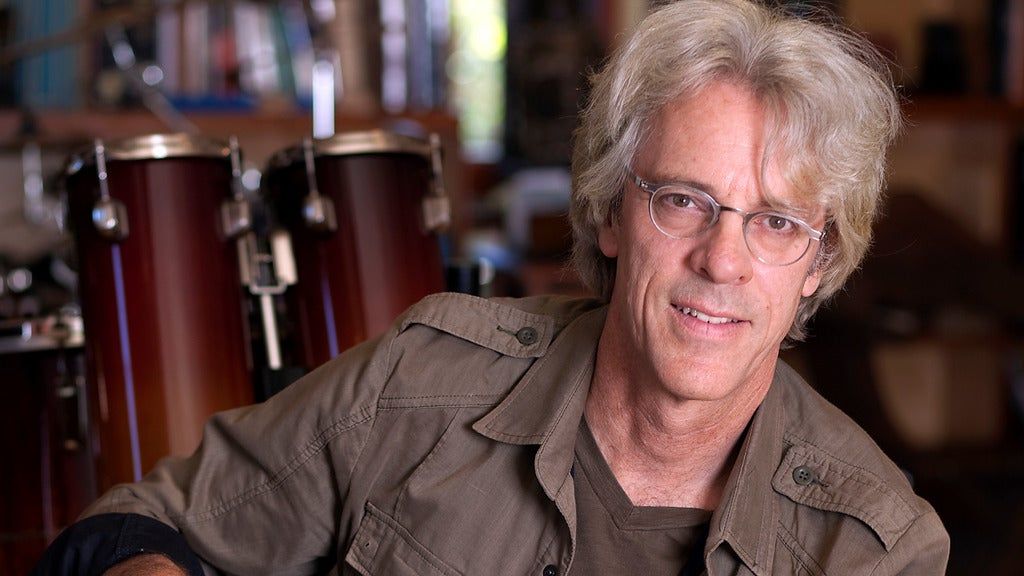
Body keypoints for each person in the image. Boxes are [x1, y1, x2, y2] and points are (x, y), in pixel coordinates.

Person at [37, 1, 949, 574]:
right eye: (683, 200)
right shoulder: (419, 386)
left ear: (819, 263)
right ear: (610, 211)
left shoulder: (876, 548)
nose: (723, 259)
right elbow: (136, 526)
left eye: (777, 223)